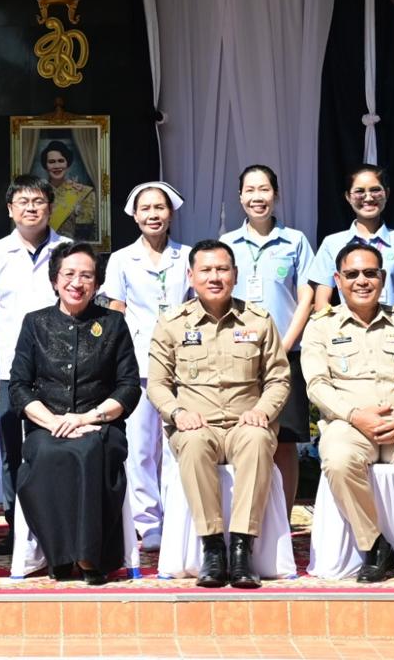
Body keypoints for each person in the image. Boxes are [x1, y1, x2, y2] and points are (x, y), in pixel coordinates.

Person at [300, 241, 394, 583]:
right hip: (348, 424)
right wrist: (355, 415)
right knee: (338, 461)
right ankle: (375, 546)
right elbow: (317, 385)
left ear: (382, 278)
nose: (361, 281)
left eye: (370, 273)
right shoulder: (321, 326)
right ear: (338, 280)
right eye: (352, 274)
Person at [148, 240, 290, 588]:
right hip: (196, 425)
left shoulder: (259, 320)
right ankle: (212, 548)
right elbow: (157, 384)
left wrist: (262, 411)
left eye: (222, 269)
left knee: (257, 440)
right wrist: (177, 413)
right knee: (194, 444)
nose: (215, 277)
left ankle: (242, 548)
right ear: (191, 276)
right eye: (206, 270)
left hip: (246, 423)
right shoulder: (172, 323)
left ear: (235, 275)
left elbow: (278, 378)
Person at [11, 242, 140, 585]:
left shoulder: (113, 323)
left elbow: (128, 387)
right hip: (47, 426)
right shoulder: (35, 323)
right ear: (55, 279)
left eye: (86, 275)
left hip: (100, 425)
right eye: (69, 274)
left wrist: (87, 418)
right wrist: (54, 421)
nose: (77, 283)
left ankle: (88, 555)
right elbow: (19, 387)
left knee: (89, 452)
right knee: (47, 454)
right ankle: (59, 553)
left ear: (97, 283)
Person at [0, 175, 70, 528]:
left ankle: (55, 521)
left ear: (51, 207)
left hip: (60, 366)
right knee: (11, 449)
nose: (31, 208)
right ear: (10, 210)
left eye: (38, 201)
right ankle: (16, 523)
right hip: (8, 367)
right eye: (23, 202)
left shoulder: (67, 250)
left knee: (56, 444)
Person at [219, 164, 315, 518]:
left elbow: (306, 297)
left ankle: (283, 519)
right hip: (238, 353)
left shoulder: (296, 241)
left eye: (264, 189)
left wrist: (285, 345)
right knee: (242, 433)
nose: (257, 197)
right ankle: (247, 517)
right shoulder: (227, 244)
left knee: (284, 440)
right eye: (250, 190)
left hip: (285, 353)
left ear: (276, 194)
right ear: (240, 196)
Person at [101, 181, 192, 551]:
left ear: (171, 213)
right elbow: (116, 311)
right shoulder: (121, 259)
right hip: (137, 361)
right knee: (140, 447)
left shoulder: (187, 257)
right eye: (146, 209)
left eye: (160, 207)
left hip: (183, 363)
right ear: (135, 216)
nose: (153, 215)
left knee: (177, 443)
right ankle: (148, 522)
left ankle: (178, 517)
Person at [307, 165, 394, 315]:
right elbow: (321, 302)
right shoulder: (332, 243)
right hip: (348, 328)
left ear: (387, 193)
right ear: (348, 197)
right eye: (359, 191)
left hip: (393, 327)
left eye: (375, 190)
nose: (368, 197)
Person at [38, 139, 97, 240]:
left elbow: (85, 233)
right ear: (45, 165)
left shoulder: (83, 193)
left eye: (61, 161)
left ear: (67, 163)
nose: (57, 166)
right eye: (51, 162)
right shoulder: (37, 193)